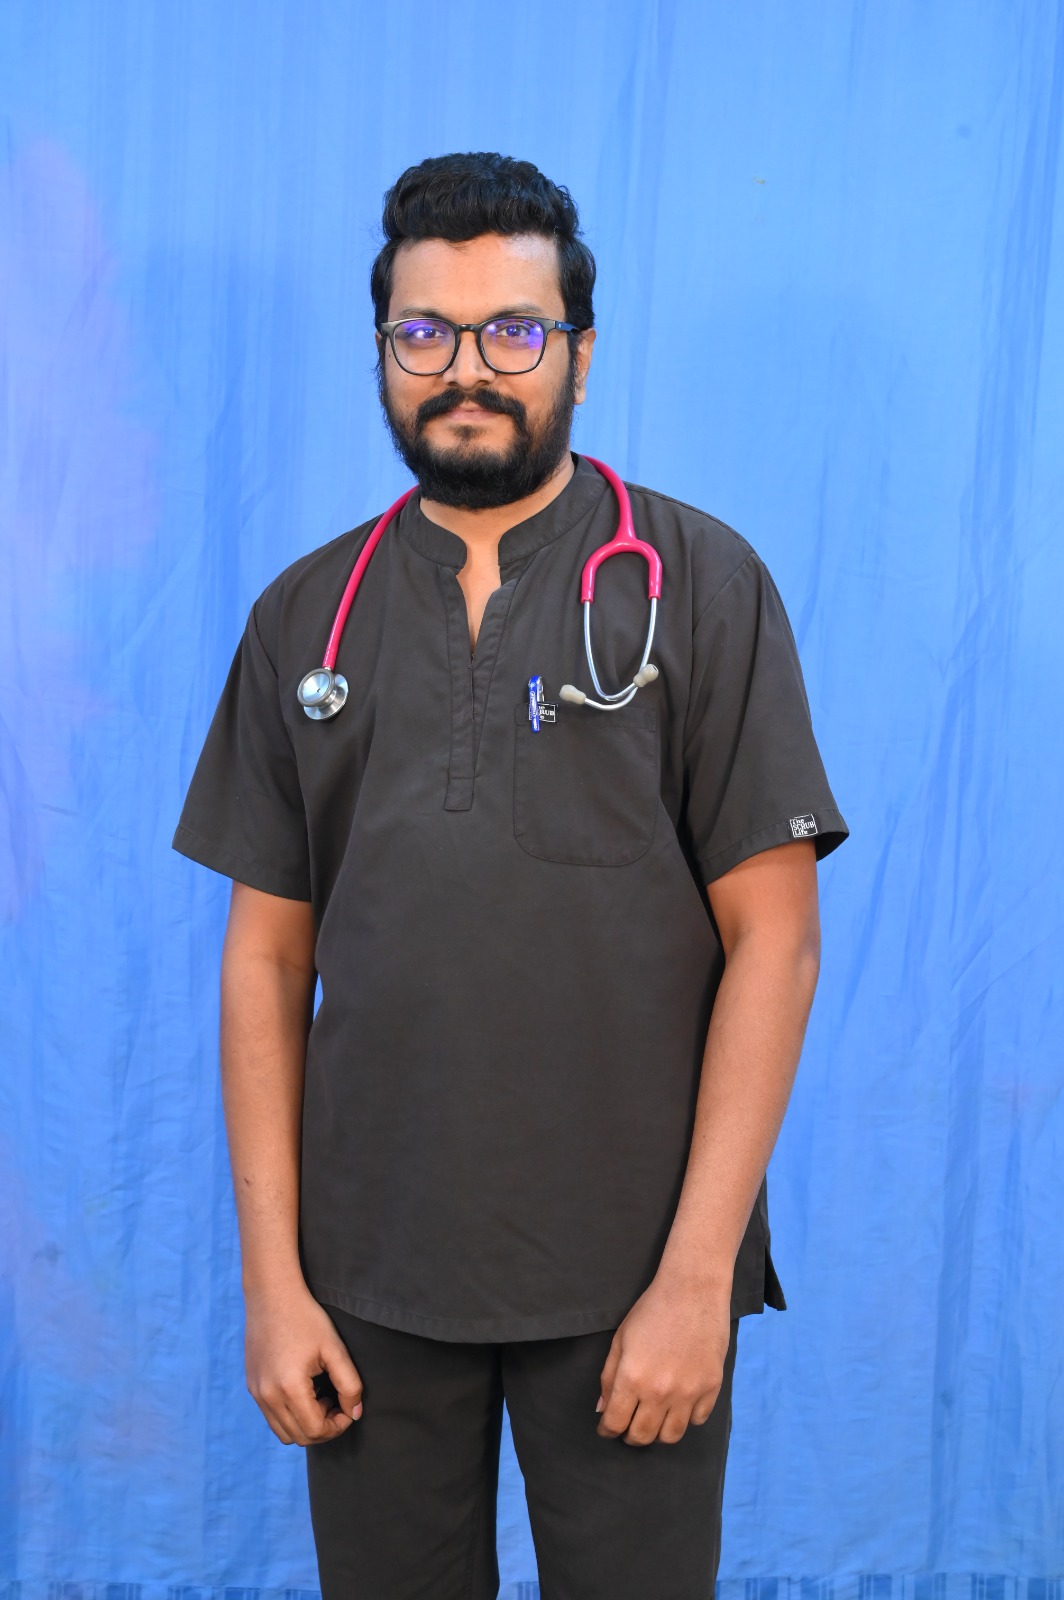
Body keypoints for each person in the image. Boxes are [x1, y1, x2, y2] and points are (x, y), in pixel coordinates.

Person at [173, 151, 849, 1600]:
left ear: (580, 357)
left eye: (513, 332)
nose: (466, 370)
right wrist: (274, 1283)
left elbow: (776, 946)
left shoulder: (699, 585)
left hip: (633, 1278)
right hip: (368, 1282)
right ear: (382, 352)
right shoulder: (305, 617)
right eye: (425, 332)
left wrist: (697, 1281)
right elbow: (264, 963)